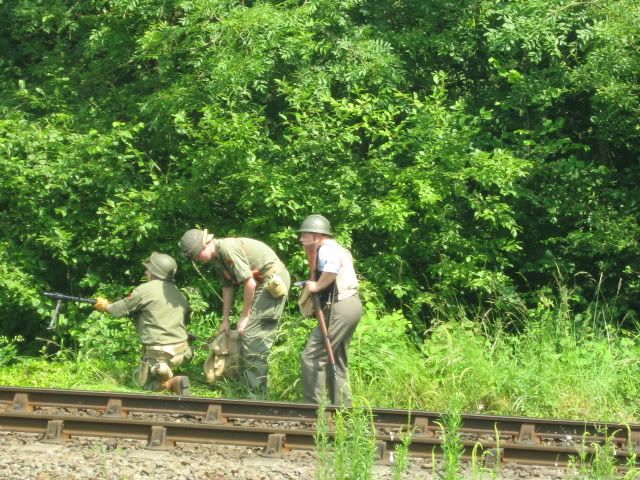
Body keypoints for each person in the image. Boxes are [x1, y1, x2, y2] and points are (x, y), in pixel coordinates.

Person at [180, 228, 290, 394]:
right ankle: (247, 386)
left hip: (272, 281)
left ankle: (257, 393)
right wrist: (225, 321)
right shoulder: (217, 259)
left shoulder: (227, 248)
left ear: (206, 244)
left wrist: (245, 317)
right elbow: (227, 287)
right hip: (260, 283)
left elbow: (249, 284)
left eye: (196, 255)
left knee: (253, 335)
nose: (196, 259)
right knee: (246, 333)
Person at [94, 252, 192, 396]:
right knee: (160, 364)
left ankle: (169, 382)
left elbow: (119, 309)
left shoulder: (145, 289)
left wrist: (105, 306)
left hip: (159, 352)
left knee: (140, 382)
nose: (146, 272)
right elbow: (186, 318)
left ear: (154, 272)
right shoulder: (178, 293)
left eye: (148, 269)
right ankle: (165, 370)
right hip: (183, 350)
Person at [298, 214, 362, 406]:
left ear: (317, 235)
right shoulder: (337, 249)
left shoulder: (326, 249)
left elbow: (332, 269)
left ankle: (314, 408)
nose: (301, 239)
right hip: (351, 305)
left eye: (305, 235)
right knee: (337, 358)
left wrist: (316, 287)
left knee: (312, 356)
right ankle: (342, 407)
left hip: (340, 306)